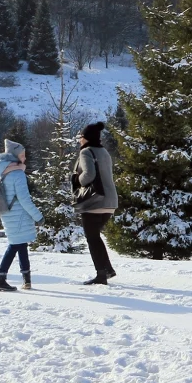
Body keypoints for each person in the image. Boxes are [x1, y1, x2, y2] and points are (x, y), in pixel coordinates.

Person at [0, 139, 42, 292]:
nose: (24, 158)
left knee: (21, 244)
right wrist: (38, 216)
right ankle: (0, 279)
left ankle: (27, 279)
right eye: (22, 155)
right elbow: (24, 199)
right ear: (14, 156)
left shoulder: (4, 172)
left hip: (7, 214)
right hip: (18, 215)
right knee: (15, 245)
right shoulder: (17, 174)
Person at [72, 121, 119, 286]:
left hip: (95, 201)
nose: (79, 140)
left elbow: (89, 175)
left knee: (92, 238)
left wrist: (77, 179)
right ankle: (107, 269)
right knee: (95, 237)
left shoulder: (86, 152)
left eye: (81, 137)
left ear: (87, 138)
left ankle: (101, 275)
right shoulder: (104, 152)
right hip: (111, 201)